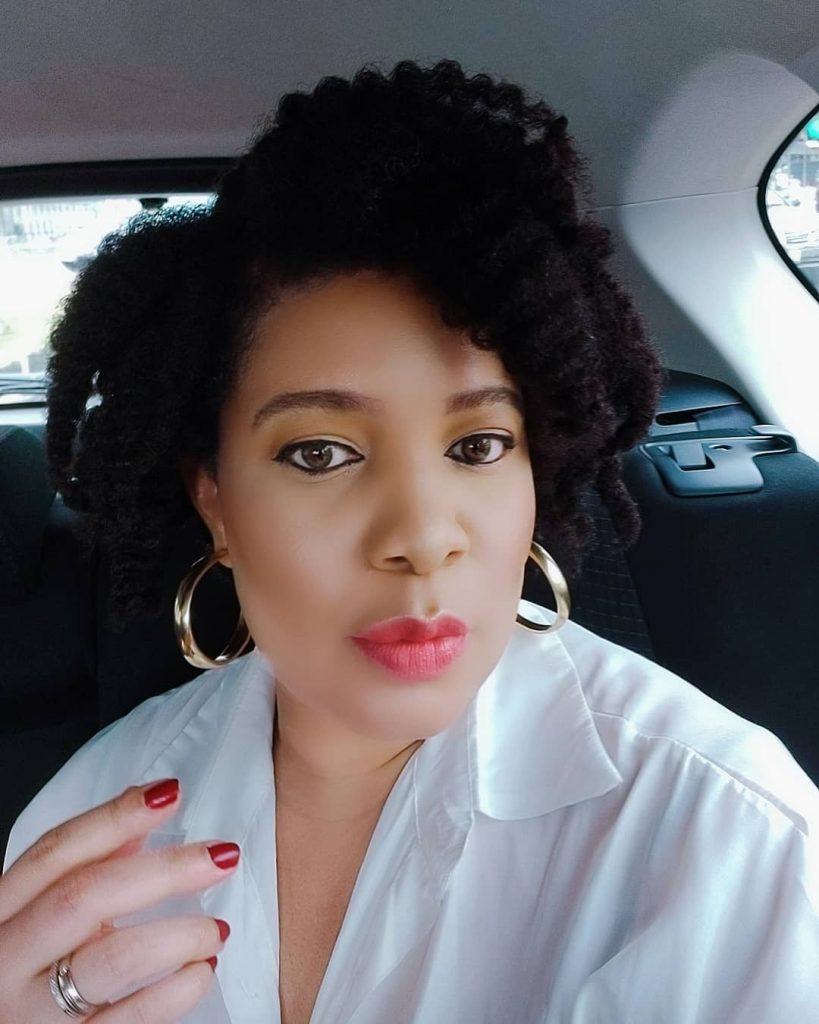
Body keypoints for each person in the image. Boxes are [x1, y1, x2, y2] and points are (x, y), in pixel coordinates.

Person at [1, 59, 817, 1024]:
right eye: (320, 453)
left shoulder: (725, 835)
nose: (423, 539)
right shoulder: (95, 815)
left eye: (478, 446)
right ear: (213, 498)